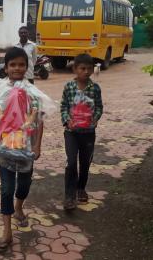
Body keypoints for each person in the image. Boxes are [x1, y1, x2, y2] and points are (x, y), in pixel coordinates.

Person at [0, 47, 44, 253]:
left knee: (24, 186)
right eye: (13, 65)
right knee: (7, 189)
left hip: (26, 148)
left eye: (21, 64)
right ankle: (7, 231)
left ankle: (19, 207)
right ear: (6, 68)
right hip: (4, 148)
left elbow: (39, 119)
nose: (17, 68)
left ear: (27, 67)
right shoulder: (0, 90)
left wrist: (37, 144)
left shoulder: (32, 91)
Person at [60, 53, 103, 210]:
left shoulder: (95, 88)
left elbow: (99, 107)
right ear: (75, 69)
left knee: (85, 163)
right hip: (71, 132)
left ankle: (81, 188)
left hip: (88, 133)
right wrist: (67, 120)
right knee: (71, 163)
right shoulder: (69, 87)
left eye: (89, 68)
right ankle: (69, 196)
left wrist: (96, 118)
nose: (86, 71)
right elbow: (64, 106)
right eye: (82, 68)